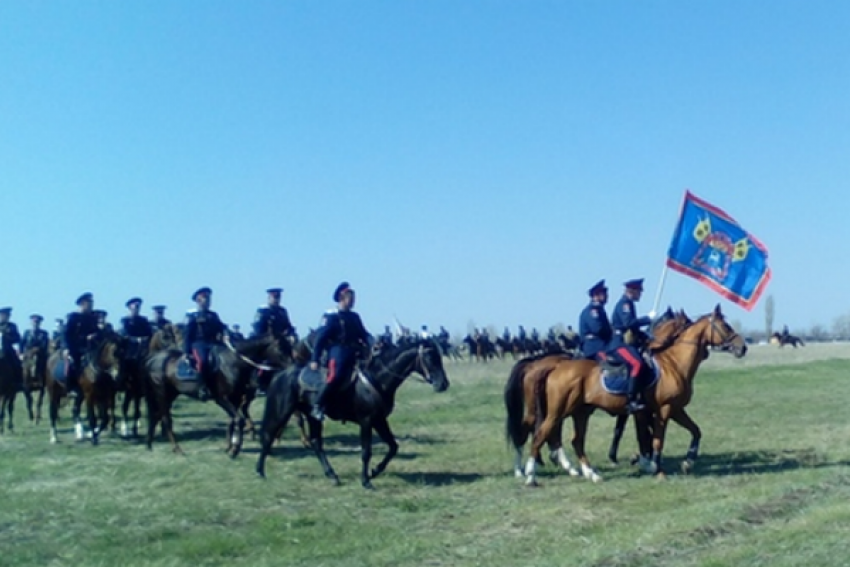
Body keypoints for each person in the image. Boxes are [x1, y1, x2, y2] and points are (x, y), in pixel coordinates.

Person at [309, 282, 372, 421]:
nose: (353, 301)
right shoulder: (331, 316)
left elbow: (363, 333)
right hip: (338, 351)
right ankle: (318, 405)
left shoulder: (354, 316)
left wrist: (372, 342)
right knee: (335, 376)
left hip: (355, 350)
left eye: (353, 298)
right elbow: (320, 338)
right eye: (351, 298)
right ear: (342, 298)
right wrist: (315, 358)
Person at [608, 278, 655, 413]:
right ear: (632, 291)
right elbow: (628, 323)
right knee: (636, 363)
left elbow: (633, 328)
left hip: (628, 342)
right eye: (639, 292)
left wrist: (646, 336)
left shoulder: (629, 304)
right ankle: (630, 400)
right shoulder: (625, 304)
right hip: (619, 344)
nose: (640, 294)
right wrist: (647, 319)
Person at [182, 287, 227, 402]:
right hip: (199, 344)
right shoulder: (192, 316)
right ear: (198, 300)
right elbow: (187, 335)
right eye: (204, 299)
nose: (207, 302)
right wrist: (186, 352)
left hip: (214, 344)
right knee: (203, 362)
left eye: (208, 299)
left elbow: (221, 328)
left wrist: (226, 334)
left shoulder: (213, 315)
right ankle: (202, 387)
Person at [61, 293, 100, 397]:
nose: (91, 305)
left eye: (92, 303)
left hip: (91, 348)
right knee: (72, 363)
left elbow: (97, 331)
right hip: (76, 348)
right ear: (83, 304)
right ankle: (71, 387)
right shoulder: (73, 317)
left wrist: (95, 335)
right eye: (89, 303)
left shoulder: (93, 317)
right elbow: (66, 334)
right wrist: (66, 348)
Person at [578, 279, 612, 361]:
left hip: (602, 345)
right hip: (595, 347)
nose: (607, 296)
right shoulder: (592, 310)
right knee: (611, 364)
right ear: (596, 295)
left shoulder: (599, 310)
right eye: (603, 294)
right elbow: (598, 329)